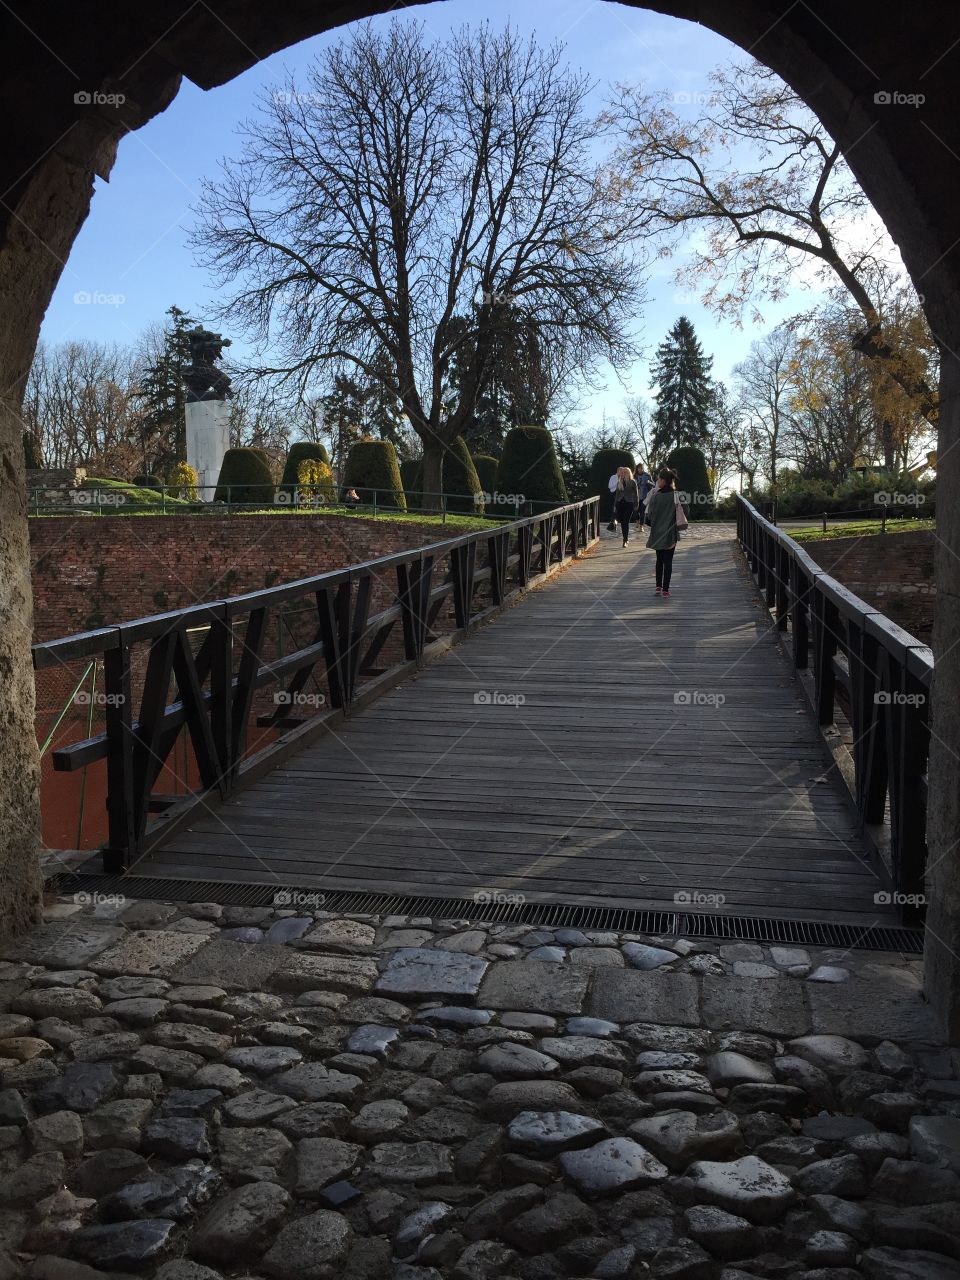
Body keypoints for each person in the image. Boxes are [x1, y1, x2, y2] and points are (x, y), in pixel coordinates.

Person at [644, 467, 686, 596]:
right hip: (670, 533)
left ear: (663, 480)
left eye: (658, 479)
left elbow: (649, 516)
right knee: (668, 562)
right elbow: (687, 511)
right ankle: (666, 590)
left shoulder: (656, 497)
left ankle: (658, 586)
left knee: (659, 560)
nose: (657, 481)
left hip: (657, 532)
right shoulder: (676, 495)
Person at [613, 465, 639, 547]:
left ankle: (625, 539)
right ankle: (625, 537)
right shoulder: (619, 482)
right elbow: (617, 495)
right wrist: (614, 505)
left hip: (629, 503)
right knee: (622, 521)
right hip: (620, 503)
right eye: (622, 472)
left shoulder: (632, 482)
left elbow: (636, 494)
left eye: (624, 472)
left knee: (626, 521)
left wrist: (636, 504)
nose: (622, 474)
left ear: (628, 473)